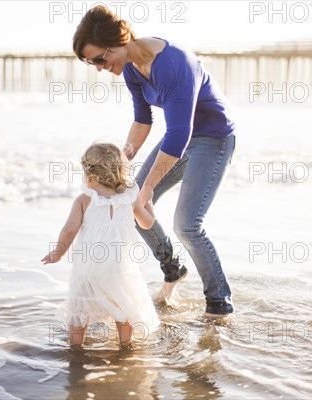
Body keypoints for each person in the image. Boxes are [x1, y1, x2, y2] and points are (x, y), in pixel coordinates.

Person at [72, 6, 236, 318]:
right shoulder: (132, 67)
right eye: (92, 63)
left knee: (187, 225)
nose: (98, 68)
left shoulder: (174, 65)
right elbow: (142, 119)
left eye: (98, 59)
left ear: (116, 43)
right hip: (181, 139)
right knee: (130, 202)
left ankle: (219, 304)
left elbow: (178, 133)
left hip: (213, 138)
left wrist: (146, 187)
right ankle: (173, 267)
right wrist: (121, 158)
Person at [41, 143, 159, 348]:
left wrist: (57, 253)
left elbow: (69, 231)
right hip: (121, 266)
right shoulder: (130, 198)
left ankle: (76, 346)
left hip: (89, 267)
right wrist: (149, 204)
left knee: (80, 307)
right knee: (122, 303)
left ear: (89, 172)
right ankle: (125, 345)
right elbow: (147, 223)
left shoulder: (85, 199)